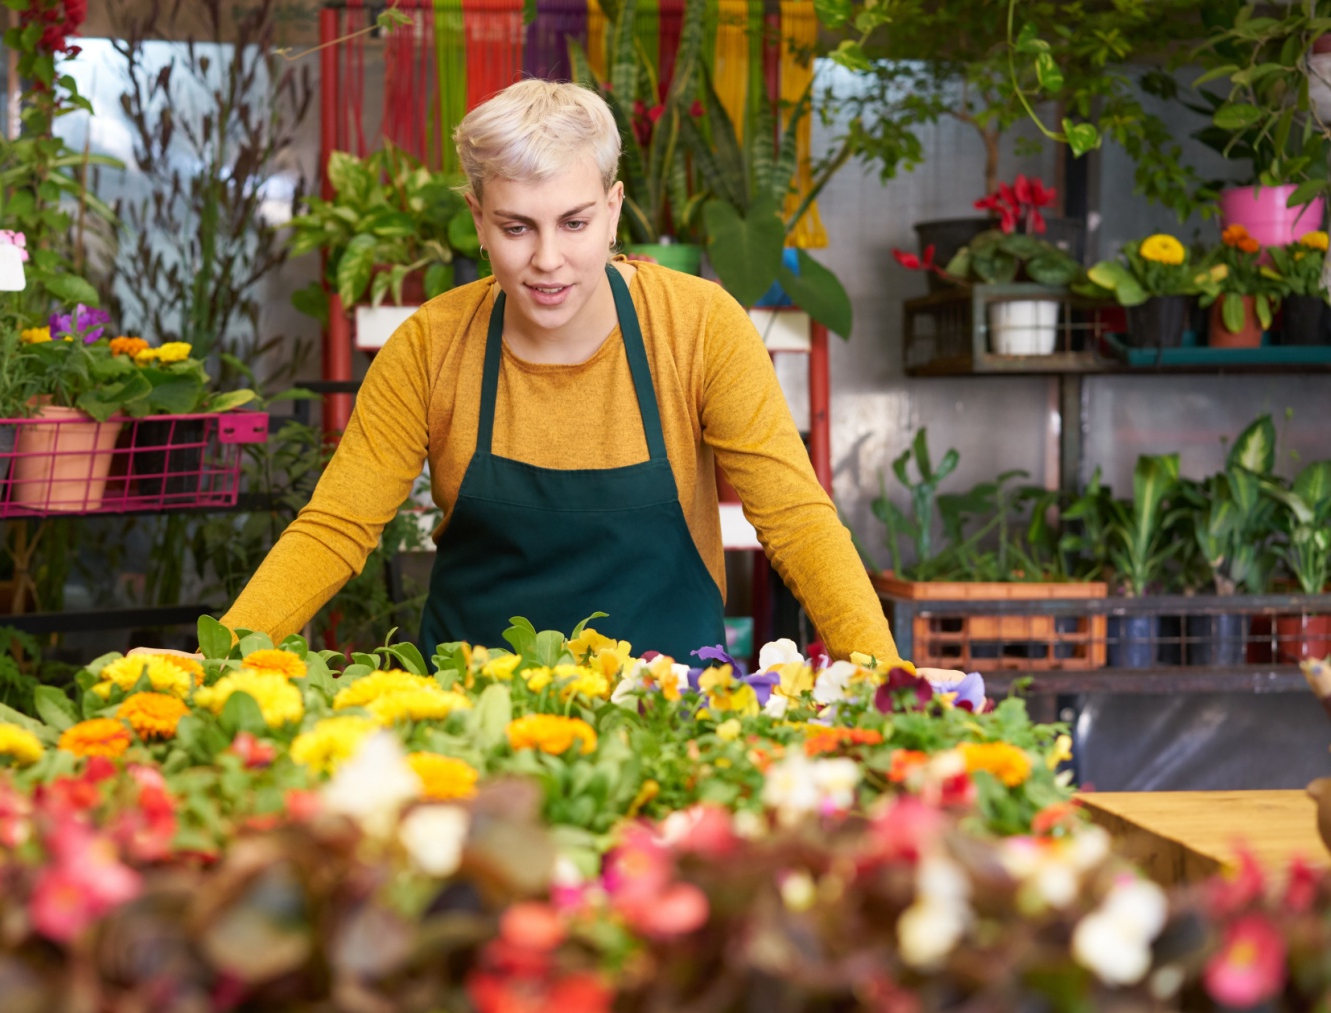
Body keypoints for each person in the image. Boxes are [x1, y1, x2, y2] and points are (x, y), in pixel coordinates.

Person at [211, 78, 960, 680]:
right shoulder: (430, 346)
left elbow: (795, 519)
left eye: (573, 223)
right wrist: (215, 662)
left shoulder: (698, 326)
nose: (547, 260)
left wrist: (886, 679)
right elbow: (337, 527)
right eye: (516, 227)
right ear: (476, 219)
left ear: (613, 210)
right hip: (471, 711)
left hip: (673, 707)